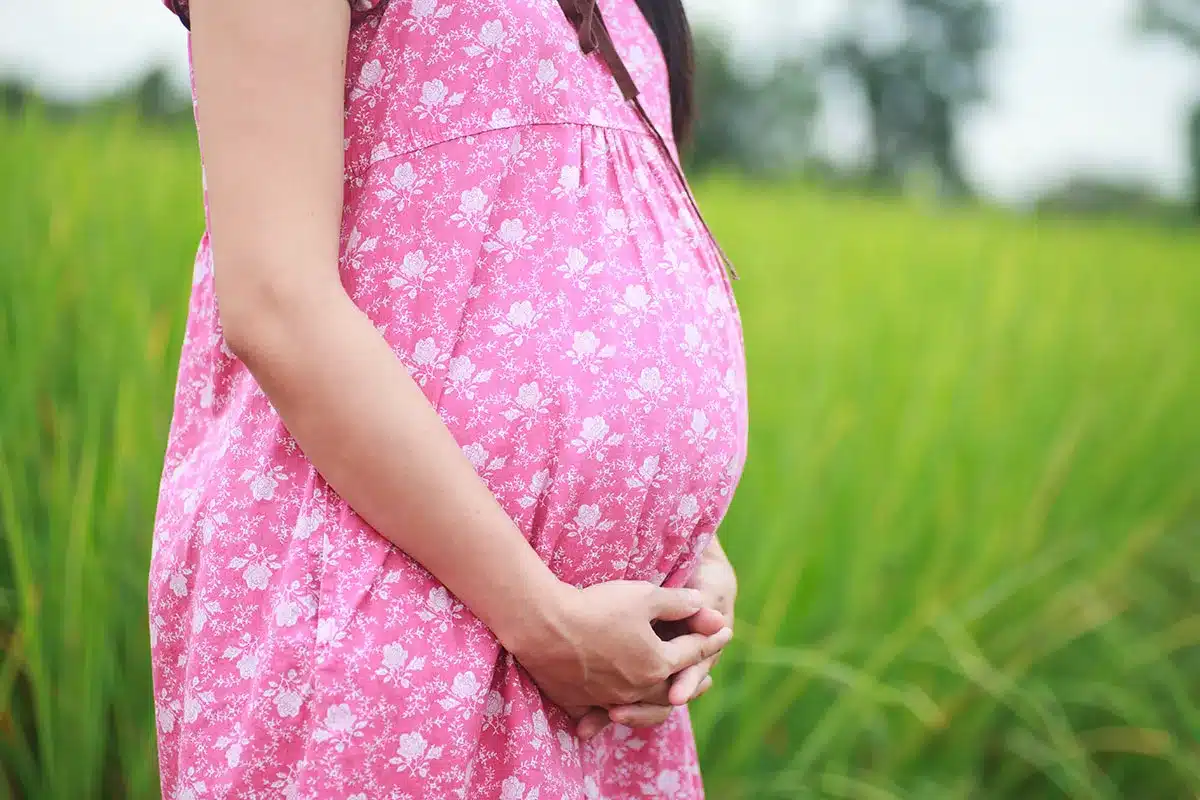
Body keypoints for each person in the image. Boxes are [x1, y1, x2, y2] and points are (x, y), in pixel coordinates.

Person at [148, 0, 748, 796]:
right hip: (391, 628)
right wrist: (544, 619)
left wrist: (686, 544)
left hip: (601, 689)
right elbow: (275, 302)